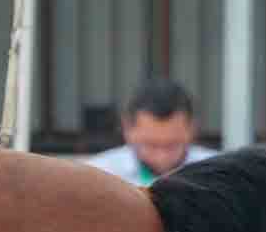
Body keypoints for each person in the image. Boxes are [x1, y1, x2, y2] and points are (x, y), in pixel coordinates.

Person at [87, 76, 218, 186]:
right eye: (150, 145)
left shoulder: (219, 175)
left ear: (192, 128)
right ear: (127, 128)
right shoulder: (98, 177)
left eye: (173, 145)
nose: (162, 157)